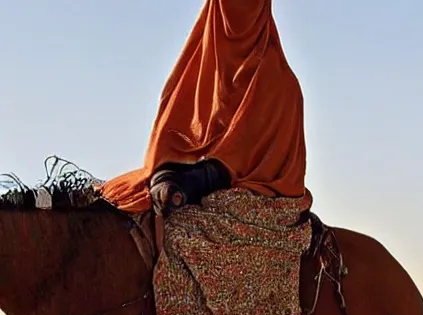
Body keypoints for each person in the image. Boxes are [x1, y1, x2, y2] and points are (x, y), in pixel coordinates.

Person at [99, 0, 307, 216]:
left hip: (238, 188)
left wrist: (197, 178)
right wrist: (168, 170)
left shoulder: (281, 86)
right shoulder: (194, 72)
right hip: (183, 174)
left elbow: (265, 167)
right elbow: (170, 141)